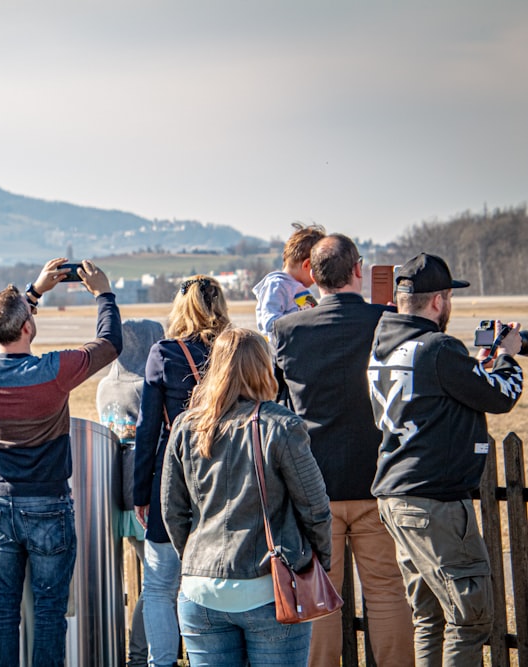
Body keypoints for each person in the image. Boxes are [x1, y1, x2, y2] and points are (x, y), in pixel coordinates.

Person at [369, 253, 523, 666]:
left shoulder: (385, 348)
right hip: (434, 503)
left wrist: (479, 368)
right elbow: (501, 395)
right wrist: (507, 355)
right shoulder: (438, 348)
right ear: (438, 301)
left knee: (430, 616)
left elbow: (443, 393)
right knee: (469, 617)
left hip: (398, 498)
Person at [0, 258, 122, 667]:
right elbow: (110, 344)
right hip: (48, 505)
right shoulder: (52, 371)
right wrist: (104, 294)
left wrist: (32, 293)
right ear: (29, 328)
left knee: (2, 606)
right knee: (50, 608)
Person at [271, 235, 414, 667]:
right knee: (388, 591)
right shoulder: (387, 321)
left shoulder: (288, 330)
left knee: (320, 595)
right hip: (377, 477)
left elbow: (281, 401)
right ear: (359, 270)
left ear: (312, 276)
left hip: (315, 484)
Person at [161, 328, 333, 667]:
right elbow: (314, 508)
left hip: (200, 590)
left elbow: (173, 511)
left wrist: (196, 560)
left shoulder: (187, 426)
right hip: (269, 587)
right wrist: (316, 563)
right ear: (263, 368)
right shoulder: (280, 426)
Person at [133, 275, 230, 667]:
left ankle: (163, 663)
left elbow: (147, 428)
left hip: (172, 479)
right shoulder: (233, 350)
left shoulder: (164, 353)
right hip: (226, 476)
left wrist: (140, 493)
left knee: (159, 586)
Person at [95, 318, 164, 667]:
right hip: (144, 492)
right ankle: (140, 654)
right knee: (159, 583)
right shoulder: (144, 386)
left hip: (113, 492)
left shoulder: (106, 386)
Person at [253, 223, 326, 338]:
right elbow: (270, 323)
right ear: (307, 265)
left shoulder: (302, 290)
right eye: (318, 270)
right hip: (283, 354)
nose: (319, 278)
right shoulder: (277, 285)